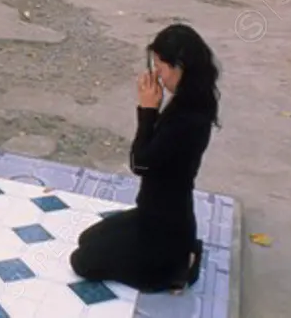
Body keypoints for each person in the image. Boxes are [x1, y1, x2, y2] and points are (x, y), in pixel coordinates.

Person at [69, 23, 220, 292]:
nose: (158, 77)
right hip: (156, 215)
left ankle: (177, 270)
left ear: (179, 67)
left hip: (162, 234)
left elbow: (140, 163)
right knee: (88, 238)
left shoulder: (187, 119)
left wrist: (147, 110)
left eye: (161, 68)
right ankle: (184, 253)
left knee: (81, 262)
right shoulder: (194, 99)